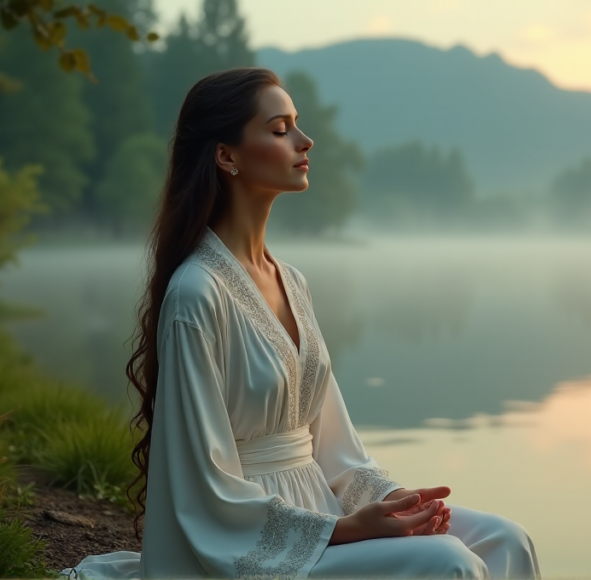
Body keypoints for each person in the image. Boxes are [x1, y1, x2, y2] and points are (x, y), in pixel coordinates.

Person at [60, 67, 542, 580]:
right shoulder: (196, 293)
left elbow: (332, 445)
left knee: (506, 539)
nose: (304, 139)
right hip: (250, 544)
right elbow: (201, 488)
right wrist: (348, 530)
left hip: (322, 507)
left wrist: (393, 502)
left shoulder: (291, 281)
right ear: (226, 156)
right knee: (448, 563)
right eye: (279, 128)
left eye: (297, 124)